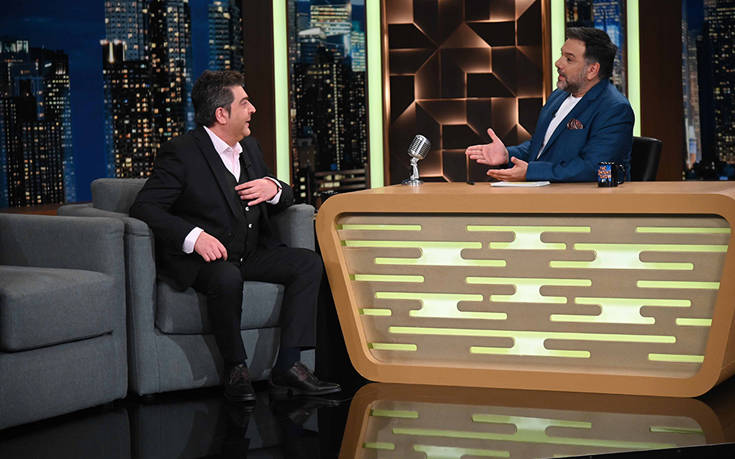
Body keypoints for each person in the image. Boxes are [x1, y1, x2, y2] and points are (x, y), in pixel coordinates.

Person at [130, 70, 340, 403]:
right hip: (205, 261)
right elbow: (145, 207)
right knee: (227, 276)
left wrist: (274, 187)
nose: (252, 109)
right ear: (221, 114)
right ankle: (236, 368)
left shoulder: (250, 148)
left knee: (308, 263)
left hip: (250, 252)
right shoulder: (181, 152)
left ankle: (289, 364)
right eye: (244, 103)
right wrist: (194, 237)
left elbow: (285, 195)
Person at [466, 27, 634, 182]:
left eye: (569, 59)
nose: (558, 63)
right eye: (561, 55)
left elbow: (594, 168)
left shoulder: (614, 109)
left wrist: (531, 172)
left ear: (592, 70)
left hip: (583, 201)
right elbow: (540, 147)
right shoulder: (558, 96)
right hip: (542, 194)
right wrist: (508, 155)